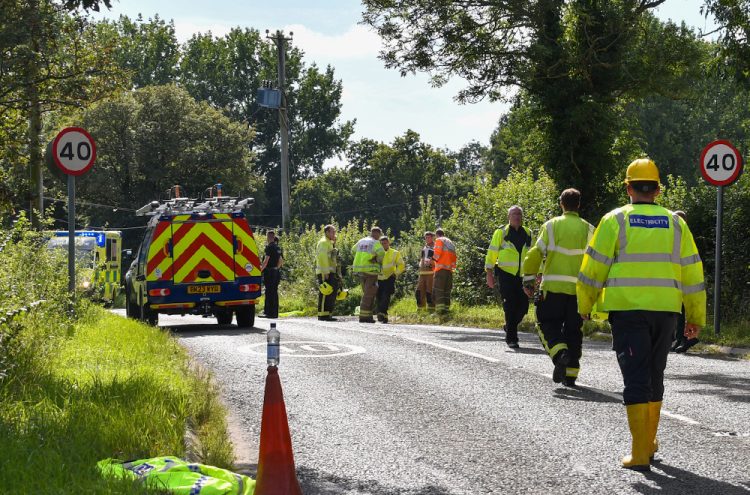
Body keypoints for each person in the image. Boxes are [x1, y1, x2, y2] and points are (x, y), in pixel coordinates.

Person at [577, 158, 706, 471]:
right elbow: (693, 273)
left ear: (629, 187)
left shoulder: (614, 220)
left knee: (636, 377)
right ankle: (648, 442)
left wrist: (584, 307)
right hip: (666, 312)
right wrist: (695, 318)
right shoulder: (677, 224)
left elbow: (592, 270)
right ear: (658, 190)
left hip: (628, 310)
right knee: (654, 374)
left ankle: (639, 453)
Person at [522, 189, 594, 386]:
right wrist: (593, 295)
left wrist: (528, 280)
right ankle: (571, 374)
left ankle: (559, 353)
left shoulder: (551, 226)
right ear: (578, 205)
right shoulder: (589, 229)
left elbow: (535, 254)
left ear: (561, 203)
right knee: (574, 330)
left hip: (552, 288)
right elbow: (597, 262)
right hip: (578, 293)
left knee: (545, 323)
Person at [485, 206, 533, 349]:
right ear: (509, 217)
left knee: (524, 307)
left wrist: (538, 274)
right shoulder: (501, 232)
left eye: (519, 213)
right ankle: (512, 338)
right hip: (506, 274)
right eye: (514, 214)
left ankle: (509, 325)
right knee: (510, 306)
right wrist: (489, 273)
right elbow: (492, 252)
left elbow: (533, 255)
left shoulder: (528, 233)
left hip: (525, 275)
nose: (517, 216)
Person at [670, 210, 699, 354]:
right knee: (679, 311)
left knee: (682, 310)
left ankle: (686, 339)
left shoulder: (683, 236)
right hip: (678, 276)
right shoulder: (680, 235)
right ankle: (680, 339)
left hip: (683, 277)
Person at [352, 227, 385, 323]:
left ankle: (368, 315)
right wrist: (376, 260)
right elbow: (381, 254)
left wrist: (361, 258)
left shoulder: (361, 241)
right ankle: (364, 317)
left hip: (360, 270)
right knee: (369, 293)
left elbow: (353, 250)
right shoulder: (375, 242)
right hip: (371, 270)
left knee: (366, 292)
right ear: (378, 234)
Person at [376, 236, 405, 323]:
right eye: (382, 243)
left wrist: (395, 273)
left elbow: (401, 265)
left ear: (389, 243)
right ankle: (381, 315)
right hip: (378, 277)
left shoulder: (395, 253)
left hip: (389, 277)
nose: (384, 245)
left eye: (385, 243)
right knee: (379, 297)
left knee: (386, 296)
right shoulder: (376, 253)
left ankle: (383, 315)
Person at [315, 224, 339, 321]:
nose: (335, 234)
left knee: (331, 292)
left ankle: (328, 313)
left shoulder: (329, 242)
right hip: (325, 272)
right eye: (333, 232)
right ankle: (322, 314)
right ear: (327, 232)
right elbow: (322, 257)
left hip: (330, 271)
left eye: (335, 232)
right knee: (325, 292)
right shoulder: (324, 242)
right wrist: (325, 272)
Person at [432, 228, 457, 320]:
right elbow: (454, 257)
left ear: (436, 235)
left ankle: (440, 312)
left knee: (439, 290)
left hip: (440, 269)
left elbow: (437, 254)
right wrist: (453, 268)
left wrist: (432, 260)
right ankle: (446, 310)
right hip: (449, 270)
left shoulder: (439, 240)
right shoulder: (450, 242)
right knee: (447, 290)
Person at [260, 230, 283, 319]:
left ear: (268, 237)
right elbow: (280, 261)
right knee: (274, 292)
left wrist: (260, 271)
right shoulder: (278, 247)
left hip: (269, 272)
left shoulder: (269, 247)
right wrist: (276, 268)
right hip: (276, 272)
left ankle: (268, 313)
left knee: (269, 291)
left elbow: (265, 262)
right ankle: (274, 313)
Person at [416, 231, 436, 313]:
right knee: (419, 292)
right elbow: (422, 259)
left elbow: (437, 260)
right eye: (426, 237)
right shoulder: (424, 247)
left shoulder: (435, 247)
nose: (427, 239)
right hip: (422, 273)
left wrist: (432, 263)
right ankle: (420, 310)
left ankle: (431, 311)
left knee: (429, 292)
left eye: (429, 237)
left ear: (432, 237)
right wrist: (420, 264)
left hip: (431, 273)